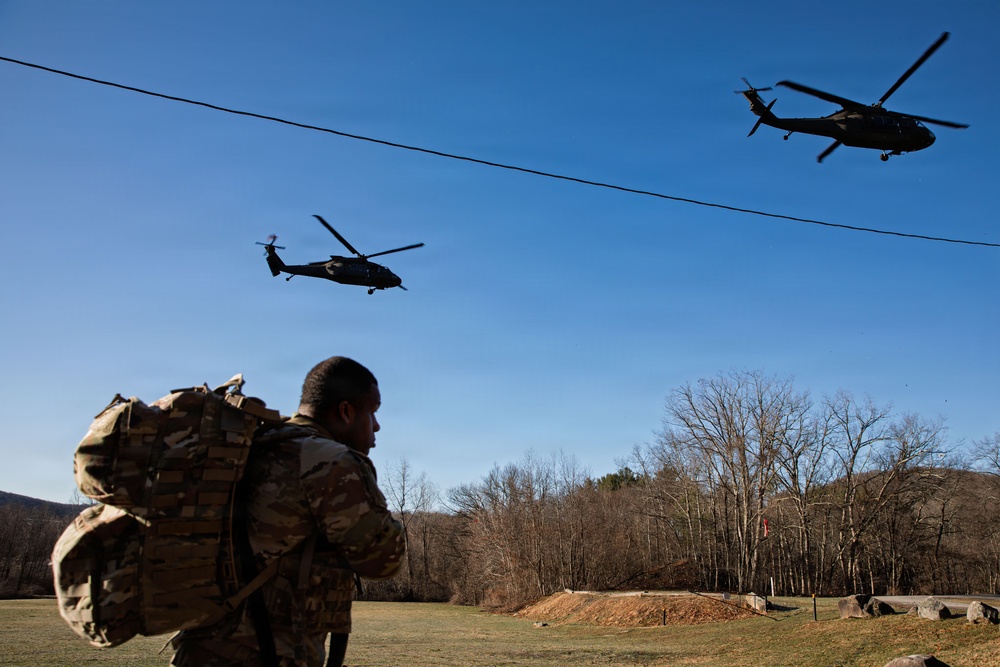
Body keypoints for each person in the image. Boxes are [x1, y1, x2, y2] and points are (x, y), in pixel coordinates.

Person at [171, 356, 405, 667]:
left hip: (199, 648)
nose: (376, 426)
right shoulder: (330, 462)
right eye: (372, 413)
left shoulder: (257, 444)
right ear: (346, 411)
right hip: (262, 655)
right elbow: (384, 560)